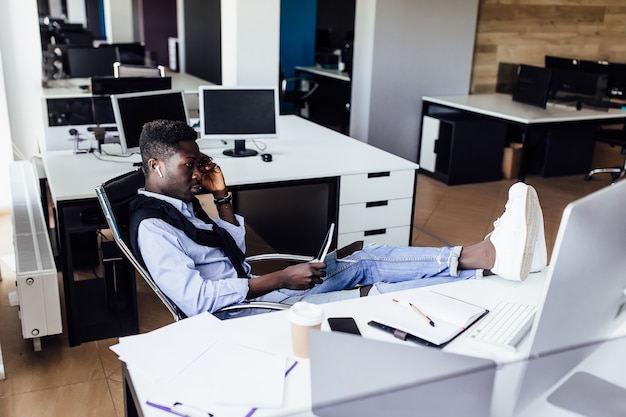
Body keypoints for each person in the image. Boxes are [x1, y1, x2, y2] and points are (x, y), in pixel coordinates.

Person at [129, 119, 546, 318]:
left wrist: (221, 197)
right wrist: (280, 279)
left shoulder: (178, 204)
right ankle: (489, 274)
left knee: (365, 257)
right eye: (189, 164)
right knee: (375, 288)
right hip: (246, 310)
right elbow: (195, 301)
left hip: (255, 289)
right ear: (156, 165)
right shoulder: (154, 227)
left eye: (198, 162)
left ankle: (480, 256)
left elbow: (232, 252)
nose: (197, 172)